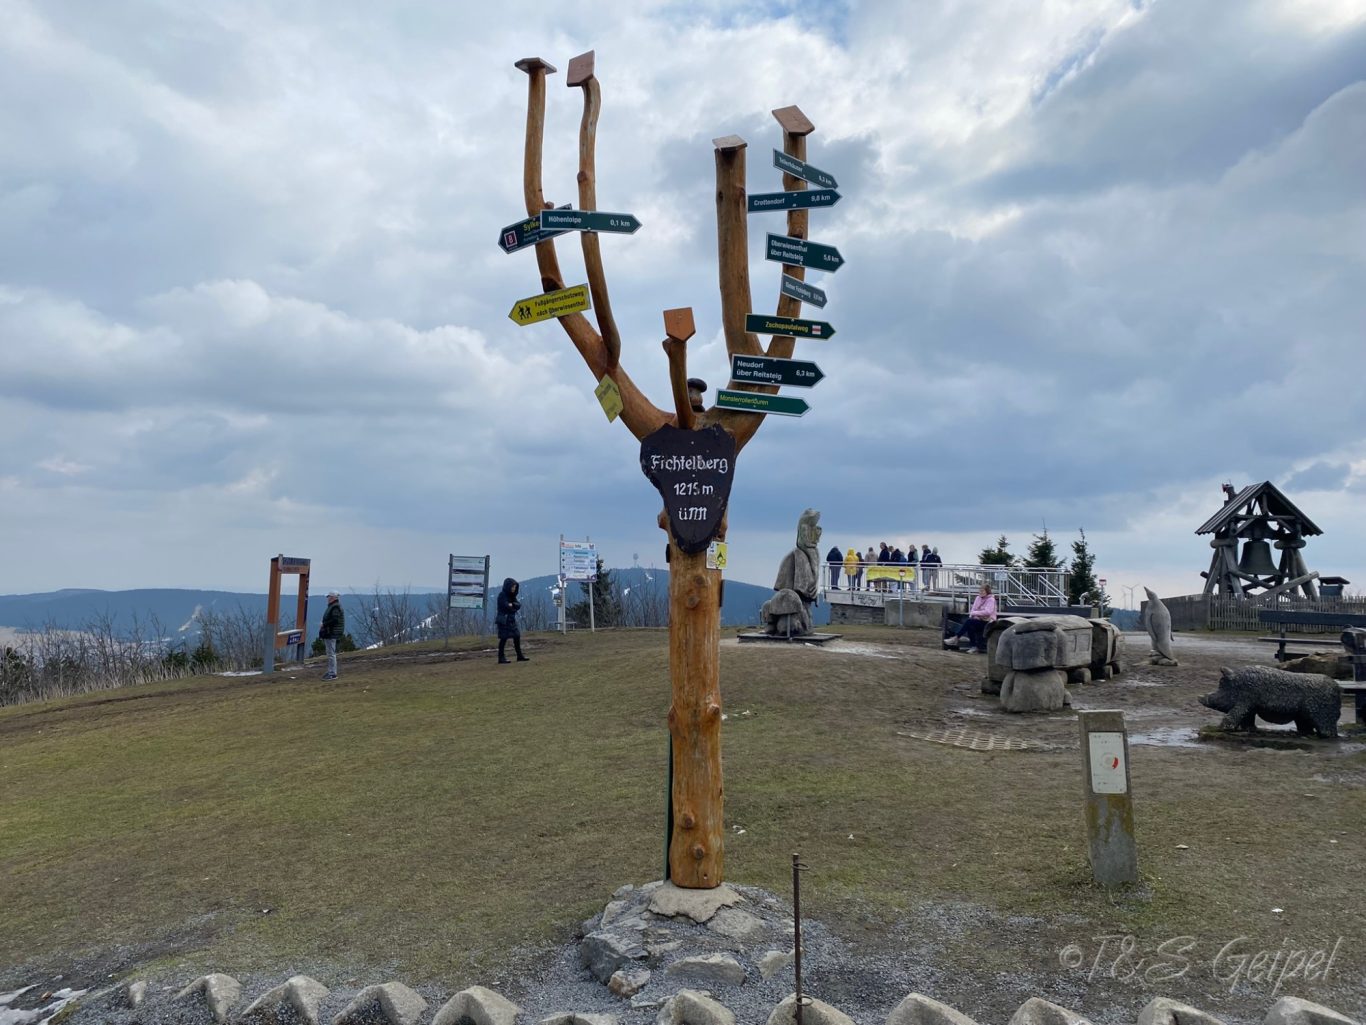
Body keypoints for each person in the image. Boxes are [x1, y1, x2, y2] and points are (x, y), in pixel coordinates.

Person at [945, 583, 996, 653]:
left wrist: (975, 614)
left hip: (988, 622)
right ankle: (973, 646)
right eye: (980, 590)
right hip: (978, 620)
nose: (980, 592)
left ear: (987, 591)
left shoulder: (991, 599)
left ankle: (957, 638)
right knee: (970, 624)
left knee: (969, 622)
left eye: (982, 591)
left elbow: (988, 612)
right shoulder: (978, 598)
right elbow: (972, 610)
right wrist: (975, 616)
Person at [496, 578, 530, 663]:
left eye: (515, 587)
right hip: (503, 620)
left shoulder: (512, 596)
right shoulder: (502, 595)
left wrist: (512, 605)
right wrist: (511, 606)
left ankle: (519, 656)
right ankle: (501, 657)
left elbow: (518, 605)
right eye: (512, 587)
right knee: (503, 638)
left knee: (517, 636)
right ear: (508, 586)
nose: (514, 589)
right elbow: (506, 606)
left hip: (511, 620)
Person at [319, 591, 345, 680]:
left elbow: (335, 620)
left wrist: (324, 624)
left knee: (331, 654)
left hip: (331, 633)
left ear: (333, 598)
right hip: (331, 632)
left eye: (329, 597)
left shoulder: (335, 607)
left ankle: (332, 673)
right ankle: (331, 671)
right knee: (330, 653)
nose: (328, 598)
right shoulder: (334, 606)